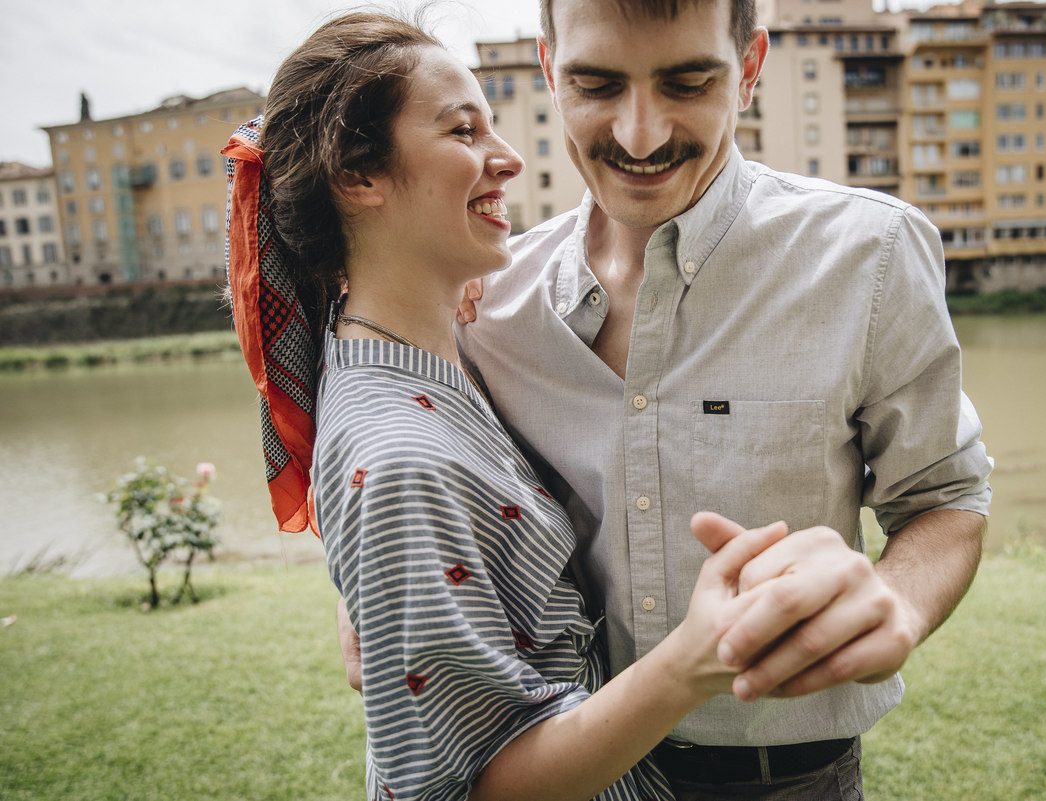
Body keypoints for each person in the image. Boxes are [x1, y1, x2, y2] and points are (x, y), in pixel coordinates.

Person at [224, 11, 804, 801]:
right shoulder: (399, 458)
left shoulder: (424, 352)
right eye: (464, 133)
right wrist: (695, 656)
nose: (509, 160)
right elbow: (480, 786)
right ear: (359, 176)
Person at [441, 0, 993, 797]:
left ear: (751, 69)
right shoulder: (485, 301)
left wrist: (898, 606)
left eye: (688, 82)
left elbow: (946, 497)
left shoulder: (872, 255)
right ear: (547, 72)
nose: (640, 135)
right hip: (561, 769)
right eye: (595, 84)